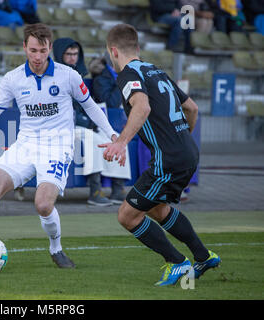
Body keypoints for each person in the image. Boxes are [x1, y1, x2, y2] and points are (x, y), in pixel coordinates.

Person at [0, 23, 118, 269]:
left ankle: (56, 249)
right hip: (25, 144)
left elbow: (90, 106)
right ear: (24, 47)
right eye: (33, 50)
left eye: (43, 51)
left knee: (43, 204)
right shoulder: (13, 78)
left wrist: (112, 134)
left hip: (57, 147)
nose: (37, 57)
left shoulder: (68, 75)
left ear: (50, 48)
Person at [99, 24, 221, 286]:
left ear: (113, 51)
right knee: (156, 208)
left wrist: (121, 143)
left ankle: (177, 262)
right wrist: (181, 139)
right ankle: (203, 256)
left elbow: (141, 106)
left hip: (169, 159)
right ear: (139, 49)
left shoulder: (127, 74)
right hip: (188, 152)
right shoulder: (156, 70)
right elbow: (192, 108)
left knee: (127, 215)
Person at [52, 37, 111, 206]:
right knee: (93, 139)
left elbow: (87, 105)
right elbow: (63, 111)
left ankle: (118, 188)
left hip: (81, 124)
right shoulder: (54, 76)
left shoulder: (80, 75)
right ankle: (95, 190)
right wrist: (87, 122)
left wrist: (91, 121)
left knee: (114, 139)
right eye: (68, 54)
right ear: (59, 54)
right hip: (62, 127)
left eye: (75, 54)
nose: (72, 58)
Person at [89, 54, 128, 204]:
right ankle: (96, 190)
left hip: (111, 125)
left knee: (120, 141)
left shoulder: (114, 77)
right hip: (98, 123)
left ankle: (118, 189)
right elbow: (111, 103)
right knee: (98, 141)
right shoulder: (101, 79)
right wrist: (121, 82)